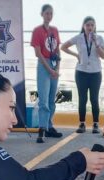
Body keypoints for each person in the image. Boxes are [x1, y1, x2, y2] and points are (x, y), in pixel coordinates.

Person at [61, 16, 104, 134]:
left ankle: (96, 124)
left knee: (94, 98)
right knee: (82, 98)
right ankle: (82, 124)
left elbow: (103, 56)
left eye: (92, 25)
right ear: (83, 26)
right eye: (87, 25)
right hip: (81, 72)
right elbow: (63, 47)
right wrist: (76, 55)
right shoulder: (79, 38)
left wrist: (96, 44)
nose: (90, 27)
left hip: (95, 72)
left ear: (95, 26)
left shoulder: (100, 38)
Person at [31, 4, 62, 143]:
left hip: (54, 65)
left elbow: (57, 50)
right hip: (44, 66)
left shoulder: (55, 30)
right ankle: (42, 129)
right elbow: (38, 53)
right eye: (47, 13)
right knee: (43, 99)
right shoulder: (37, 31)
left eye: (51, 13)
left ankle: (49, 126)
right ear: (42, 14)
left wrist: (57, 69)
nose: (49, 16)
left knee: (51, 99)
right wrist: (49, 69)